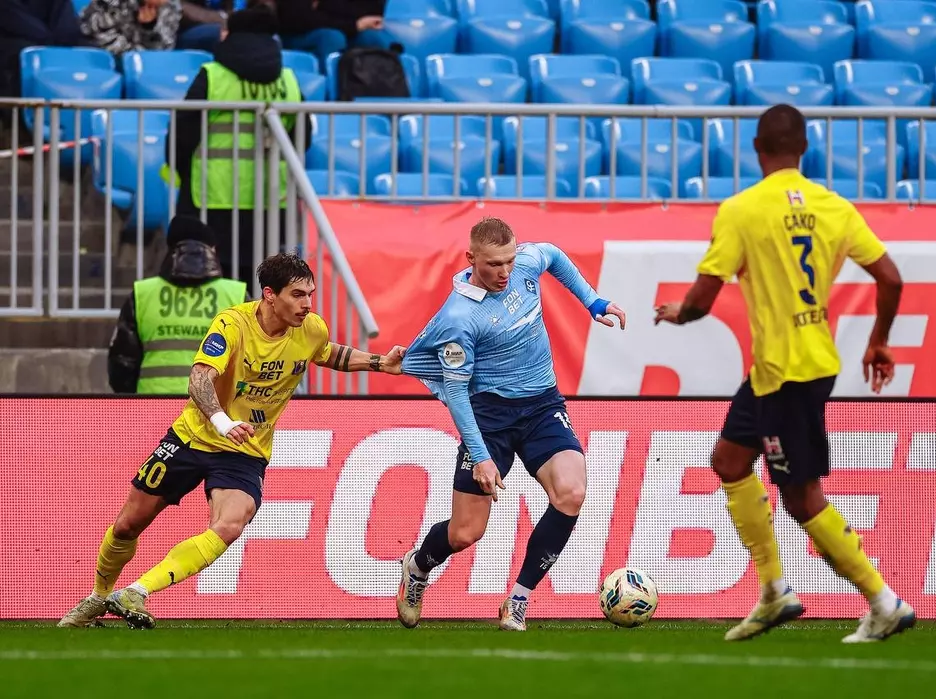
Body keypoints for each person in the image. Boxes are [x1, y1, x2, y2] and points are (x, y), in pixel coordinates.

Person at [653, 104, 912, 644]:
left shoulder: (742, 210)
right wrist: (879, 340)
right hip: (790, 367)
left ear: (756, 148)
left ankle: (883, 601)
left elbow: (703, 298)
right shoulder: (834, 207)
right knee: (729, 460)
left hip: (787, 373)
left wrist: (680, 311)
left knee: (801, 496)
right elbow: (890, 278)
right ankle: (774, 591)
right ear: (805, 149)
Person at [59, 253, 405, 628]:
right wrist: (222, 421)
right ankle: (98, 596)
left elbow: (327, 353)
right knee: (129, 524)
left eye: (310, 294)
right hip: (193, 437)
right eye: (297, 295)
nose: (307, 304)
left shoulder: (310, 328)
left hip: (245, 449)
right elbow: (199, 379)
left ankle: (137, 591)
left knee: (230, 525)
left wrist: (378, 362)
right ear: (270, 295)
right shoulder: (232, 324)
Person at [396, 217, 627, 632]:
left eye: (509, 261)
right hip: (488, 418)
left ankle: (517, 600)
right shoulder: (459, 319)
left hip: (541, 405)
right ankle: (418, 566)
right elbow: (458, 394)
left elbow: (553, 254)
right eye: (493, 264)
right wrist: (481, 457)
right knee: (466, 533)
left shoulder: (527, 262)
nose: (504, 272)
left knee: (571, 493)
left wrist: (592, 301)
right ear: (471, 258)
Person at [164, 4, 308, 284]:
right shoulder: (288, 81)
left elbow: (183, 132)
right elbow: (304, 137)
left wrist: (181, 171)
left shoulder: (213, 76)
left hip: (212, 197)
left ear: (230, 35)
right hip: (270, 199)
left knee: (214, 285)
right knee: (263, 286)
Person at [108, 215, 248, 395]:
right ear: (211, 250)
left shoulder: (142, 294)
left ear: (171, 250)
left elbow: (121, 365)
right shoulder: (236, 295)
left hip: (153, 403)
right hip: (215, 406)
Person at [276, 0, 384, 67]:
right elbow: (299, 17)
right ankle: (331, 92)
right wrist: (354, 25)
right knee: (332, 38)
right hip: (296, 34)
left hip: (341, 27)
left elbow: (371, 12)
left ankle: (374, 91)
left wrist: (324, 6)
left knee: (372, 38)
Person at [80, 0, 181, 56]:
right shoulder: (110, 2)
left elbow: (163, 52)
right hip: (97, 57)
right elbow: (100, 39)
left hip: (141, 63)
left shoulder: (171, 5)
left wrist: (148, 29)